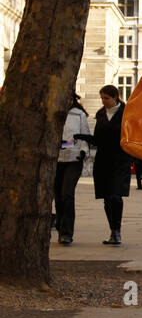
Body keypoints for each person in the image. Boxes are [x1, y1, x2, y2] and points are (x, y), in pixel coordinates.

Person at [93, 85, 132, 245]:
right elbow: (97, 137)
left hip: (120, 159)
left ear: (115, 97)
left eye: (106, 98)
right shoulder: (100, 114)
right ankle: (113, 230)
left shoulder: (126, 113)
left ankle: (117, 230)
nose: (104, 101)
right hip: (103, 159)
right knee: (107, 197)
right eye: (102, 98)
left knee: (116, 195)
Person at [54, 94, 91, 245]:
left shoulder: (78, 114)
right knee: (58, 194)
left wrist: (83, 150)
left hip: (74, 158)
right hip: (56, 158)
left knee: (67, 194)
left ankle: (67, 232)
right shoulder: (53, 112)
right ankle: (60, 226)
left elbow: (85, 135)